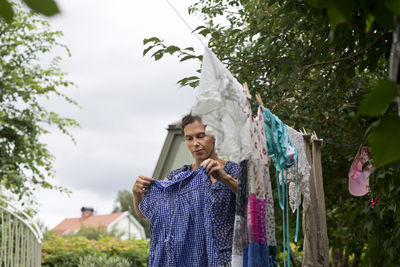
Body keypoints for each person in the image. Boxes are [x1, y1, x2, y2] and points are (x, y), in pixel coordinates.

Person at [132, 114, 239, 266]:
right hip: (191, 259)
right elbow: (144, 213)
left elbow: (249, 201)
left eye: (201, 136)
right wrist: (137, 194)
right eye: (189, 138)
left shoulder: (233, 170)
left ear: (214, 136)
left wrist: (225, 178)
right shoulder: (177, 178)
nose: (195, 143)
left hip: (226, 259)